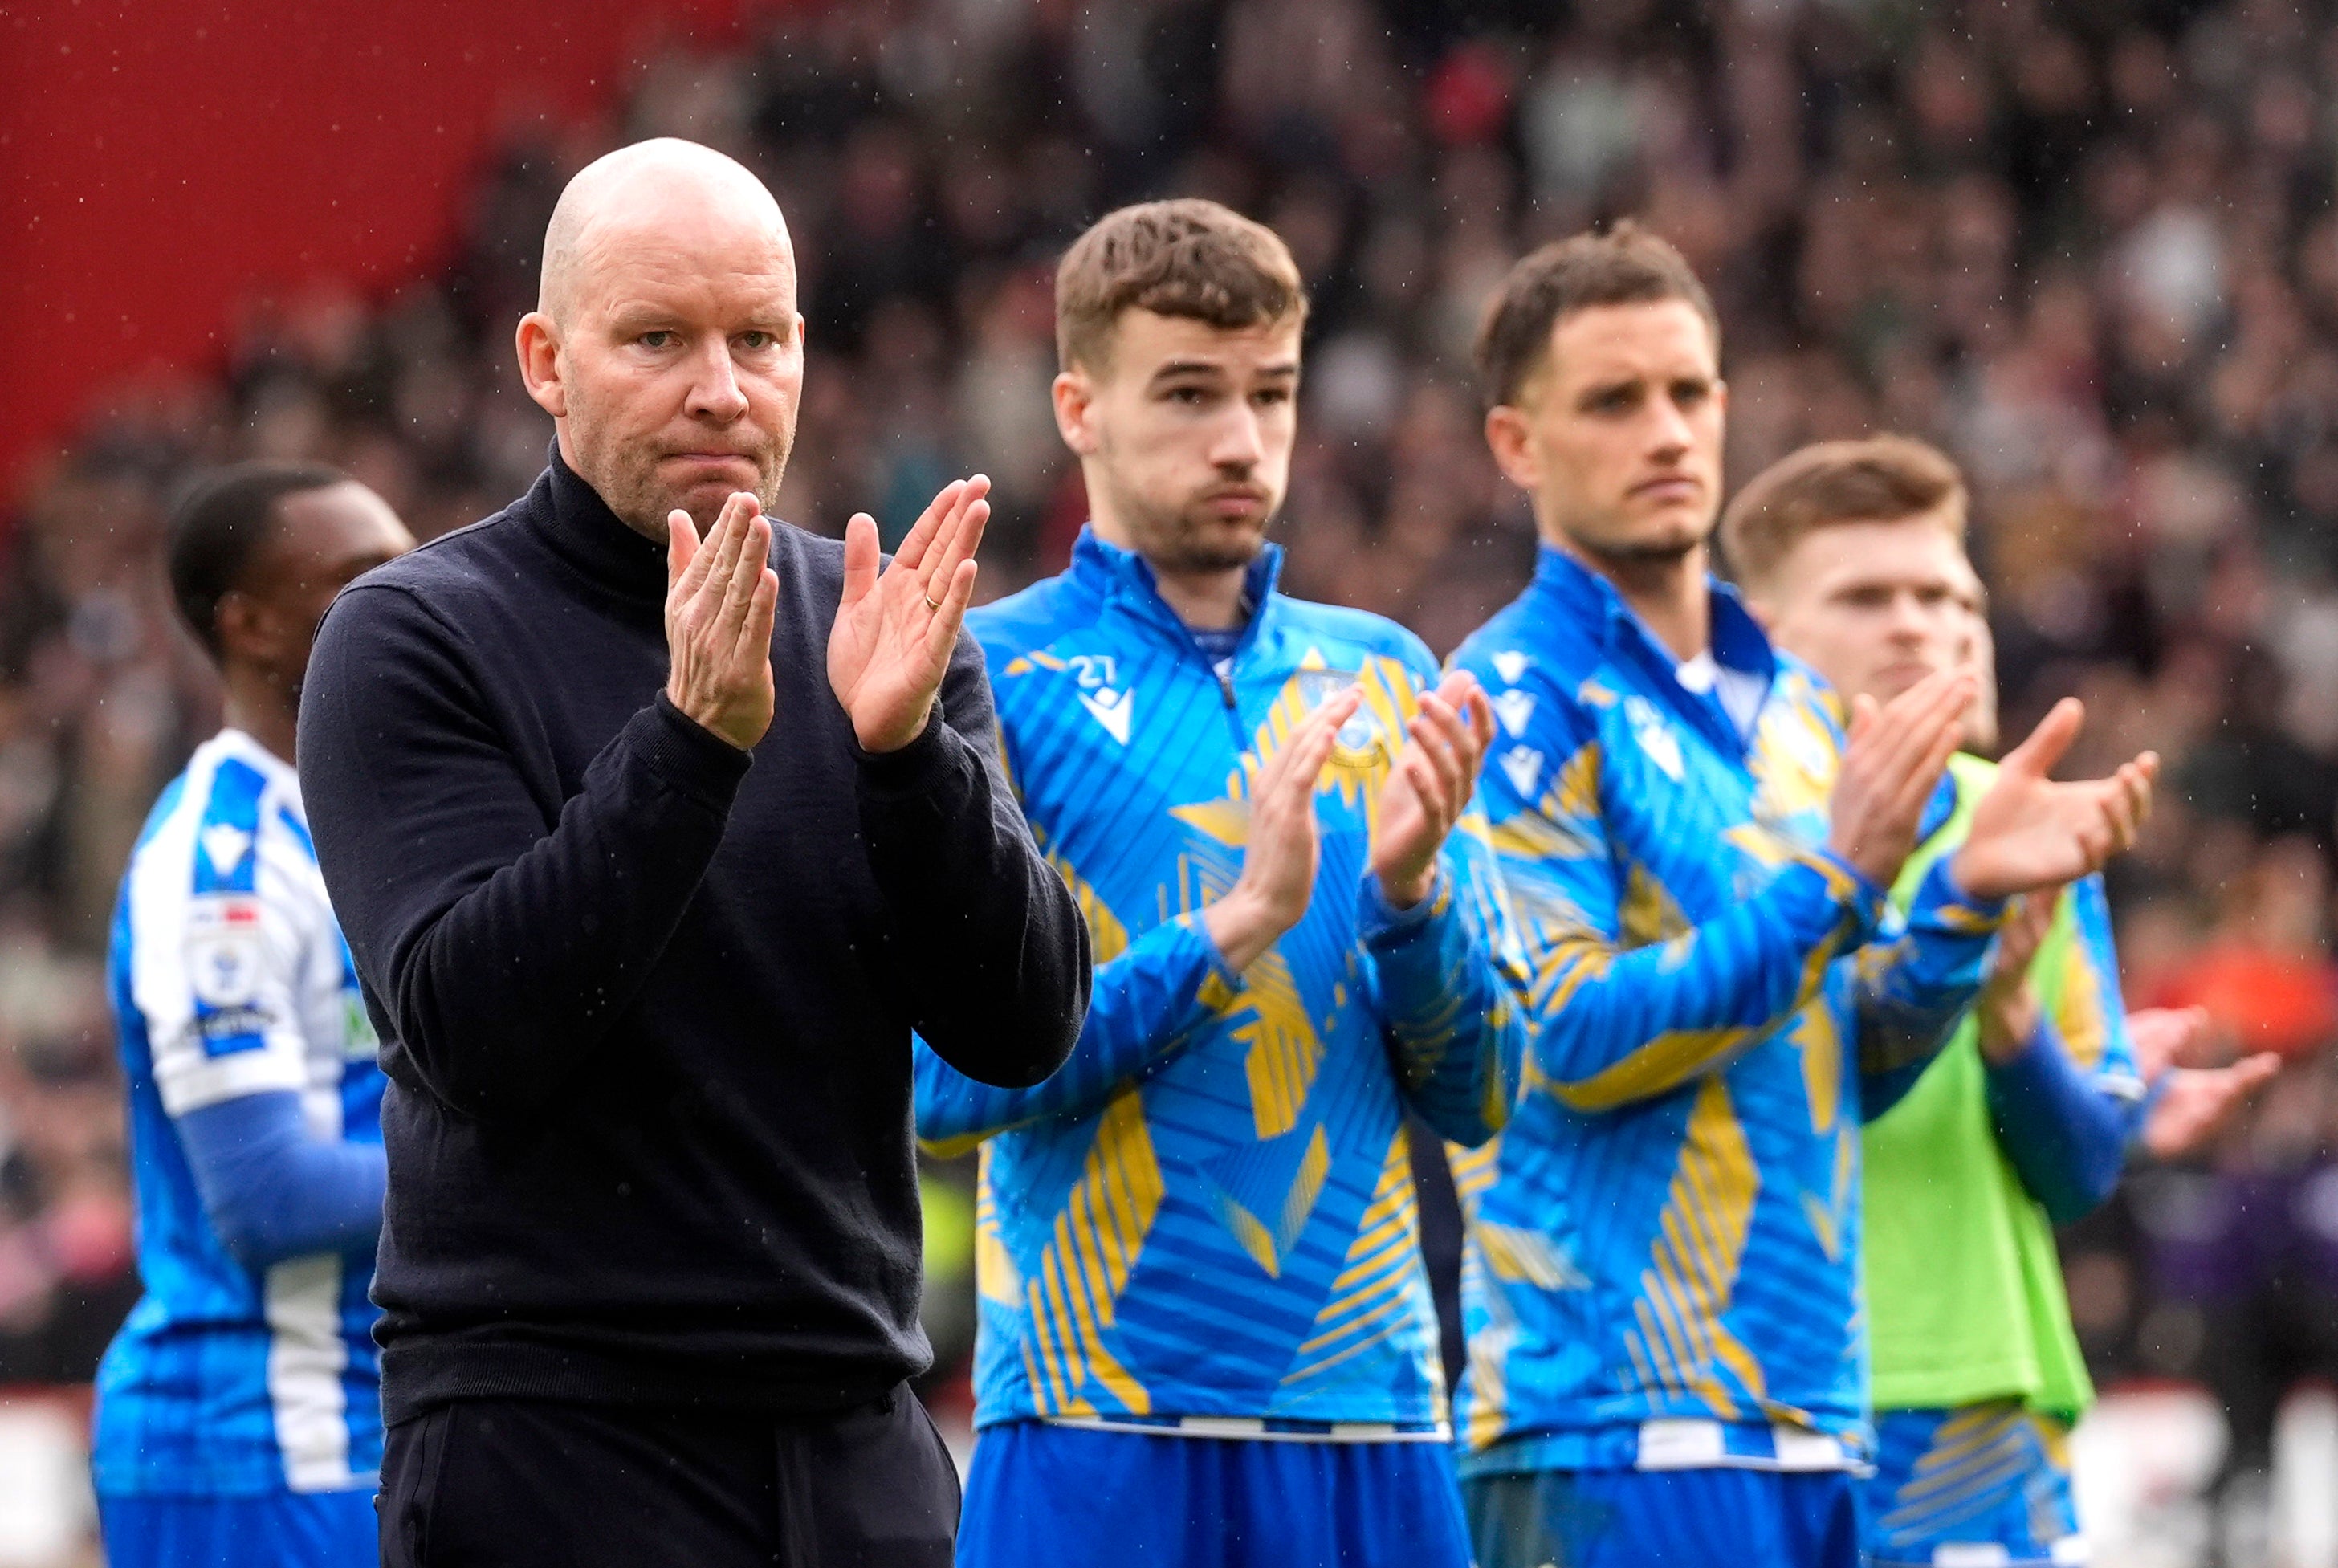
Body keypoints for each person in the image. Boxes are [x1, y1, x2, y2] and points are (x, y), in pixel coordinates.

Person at [295, 138, 1091, 1567]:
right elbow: (470, 1031)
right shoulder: (413, 635)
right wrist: (690, 744)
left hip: (855, 1432)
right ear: (545, 359)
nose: (722, 388)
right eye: (659, 338)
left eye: (760, 338)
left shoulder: (880, 625)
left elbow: (1023, 1026)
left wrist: (908, 758)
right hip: (549, 1436)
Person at [1444, 224, 2157, 1568]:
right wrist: (1840, 879)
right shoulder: (1511, 698)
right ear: (1516, 444)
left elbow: (1845, 1060)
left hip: (1812, 1413)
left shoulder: (1791, 717)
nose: (1665, 430)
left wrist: (1949, 912)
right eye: (1613, 399)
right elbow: (1569, 1036)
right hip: (1609, 1421)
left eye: (1689, 391)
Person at [918, 199, 1525, 1568]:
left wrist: (1416, 906)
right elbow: (942, 1087)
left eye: (1273, 393)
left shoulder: (1387, 673)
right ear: (1077, 406)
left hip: (1371, 1419)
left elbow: (1481, 1091)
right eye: (1189, 393)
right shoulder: (986, 676)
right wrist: (1231, 929)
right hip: (1091, 1423)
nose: (1244, 440)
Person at [1722, 434, 2279, 1568]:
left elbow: (2076, 1174)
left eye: (1944, 593)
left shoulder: (2033, 825)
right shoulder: (1712, 816)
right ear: (1766, 633)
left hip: (1974, 1386)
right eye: (1868, 594)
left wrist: (2016, 1023)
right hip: (1747, 1379)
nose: (1919, 622)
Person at [92, 462, 413, 1568]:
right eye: (361, 575)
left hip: (386, 1421)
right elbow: (270, 1194)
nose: (408, 589)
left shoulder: (389, 813)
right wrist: (544, 1172)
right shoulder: (218, 866)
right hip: (259, 1442)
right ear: (252, 626)